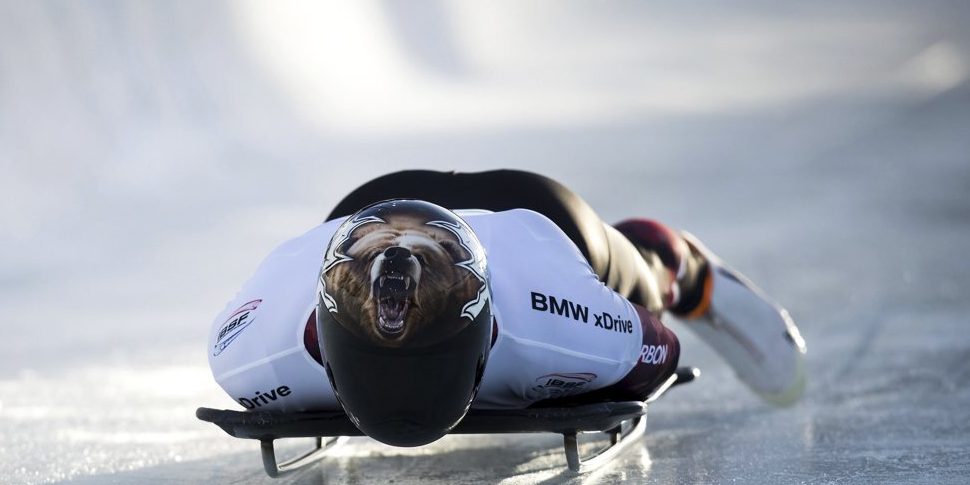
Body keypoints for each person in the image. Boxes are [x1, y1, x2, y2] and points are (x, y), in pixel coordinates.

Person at [207, 169, 806, 447]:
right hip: (372, 215)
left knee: (645, 282)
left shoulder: (561, 318)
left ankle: (677, 261)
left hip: (530, 216)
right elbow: (655, 355)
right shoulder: (251, 352)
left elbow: (657, 341)